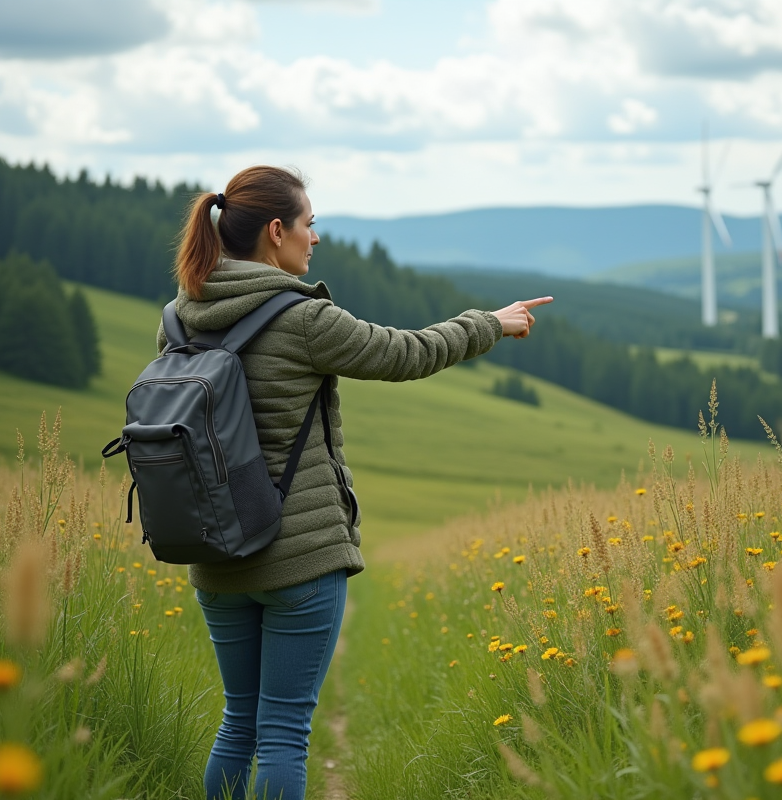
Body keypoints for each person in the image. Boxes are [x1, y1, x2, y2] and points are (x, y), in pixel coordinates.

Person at [163, 164, 551, 800]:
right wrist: (490, 323)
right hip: (300, 555)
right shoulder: (301, 319)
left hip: (214, 552)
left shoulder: (179, 319)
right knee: (284, 732)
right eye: (310, 225)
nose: (315, 238)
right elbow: (405, 351)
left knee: (239, 726)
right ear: (277, 231)